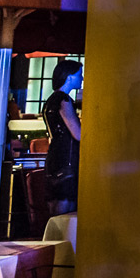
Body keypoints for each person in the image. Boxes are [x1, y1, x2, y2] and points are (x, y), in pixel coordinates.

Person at [43, 58, 83, 215]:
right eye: (79, 74)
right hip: (66, 158)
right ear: (69, 76)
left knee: (55, 206)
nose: (82, 78)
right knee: (65, 209)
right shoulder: (64, 100)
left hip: (54, 156)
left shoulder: (51, 101)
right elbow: (78, 134)